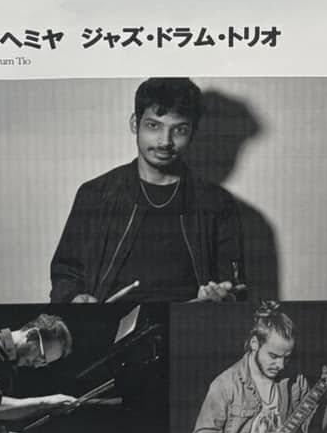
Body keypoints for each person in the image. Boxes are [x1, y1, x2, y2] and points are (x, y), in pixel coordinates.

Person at [49, 77, 242, 305]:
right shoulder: (96, 194)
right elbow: (65, 273)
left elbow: (236, 287)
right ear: (135, 123)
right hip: (111, 322)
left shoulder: (217, 203)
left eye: (179, 130)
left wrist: (222, 297)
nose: (165, 142)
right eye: (153, 126)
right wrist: (75, 298)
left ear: (193, 132)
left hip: (188, 322)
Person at [189, 304, 327, 433]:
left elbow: (309, 430)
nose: (281, 365)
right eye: (273, 356)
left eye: (286, 358)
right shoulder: (225, 384)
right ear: (255, 344)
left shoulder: (295, 380)